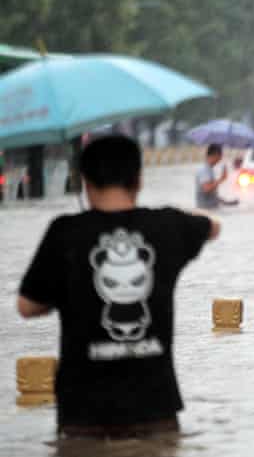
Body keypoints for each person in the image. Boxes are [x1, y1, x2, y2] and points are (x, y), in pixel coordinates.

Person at [16, 135, 220, 439]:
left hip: (83, 414)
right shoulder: (166, 226)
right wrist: (177, 213)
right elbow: (213, 226)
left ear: (84, 181)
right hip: (154, 410)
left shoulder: (65, 232)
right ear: (139, 178)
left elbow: (27, 306)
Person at [195, 144, 237, 209]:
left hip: (211, 208)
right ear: (215, 155)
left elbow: (211, 194)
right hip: (206, 210)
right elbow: (207, 188)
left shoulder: (209, 169)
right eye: (220, 156)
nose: (221, 159)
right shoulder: (204, 170)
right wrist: (222, 179)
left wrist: (227, 203)